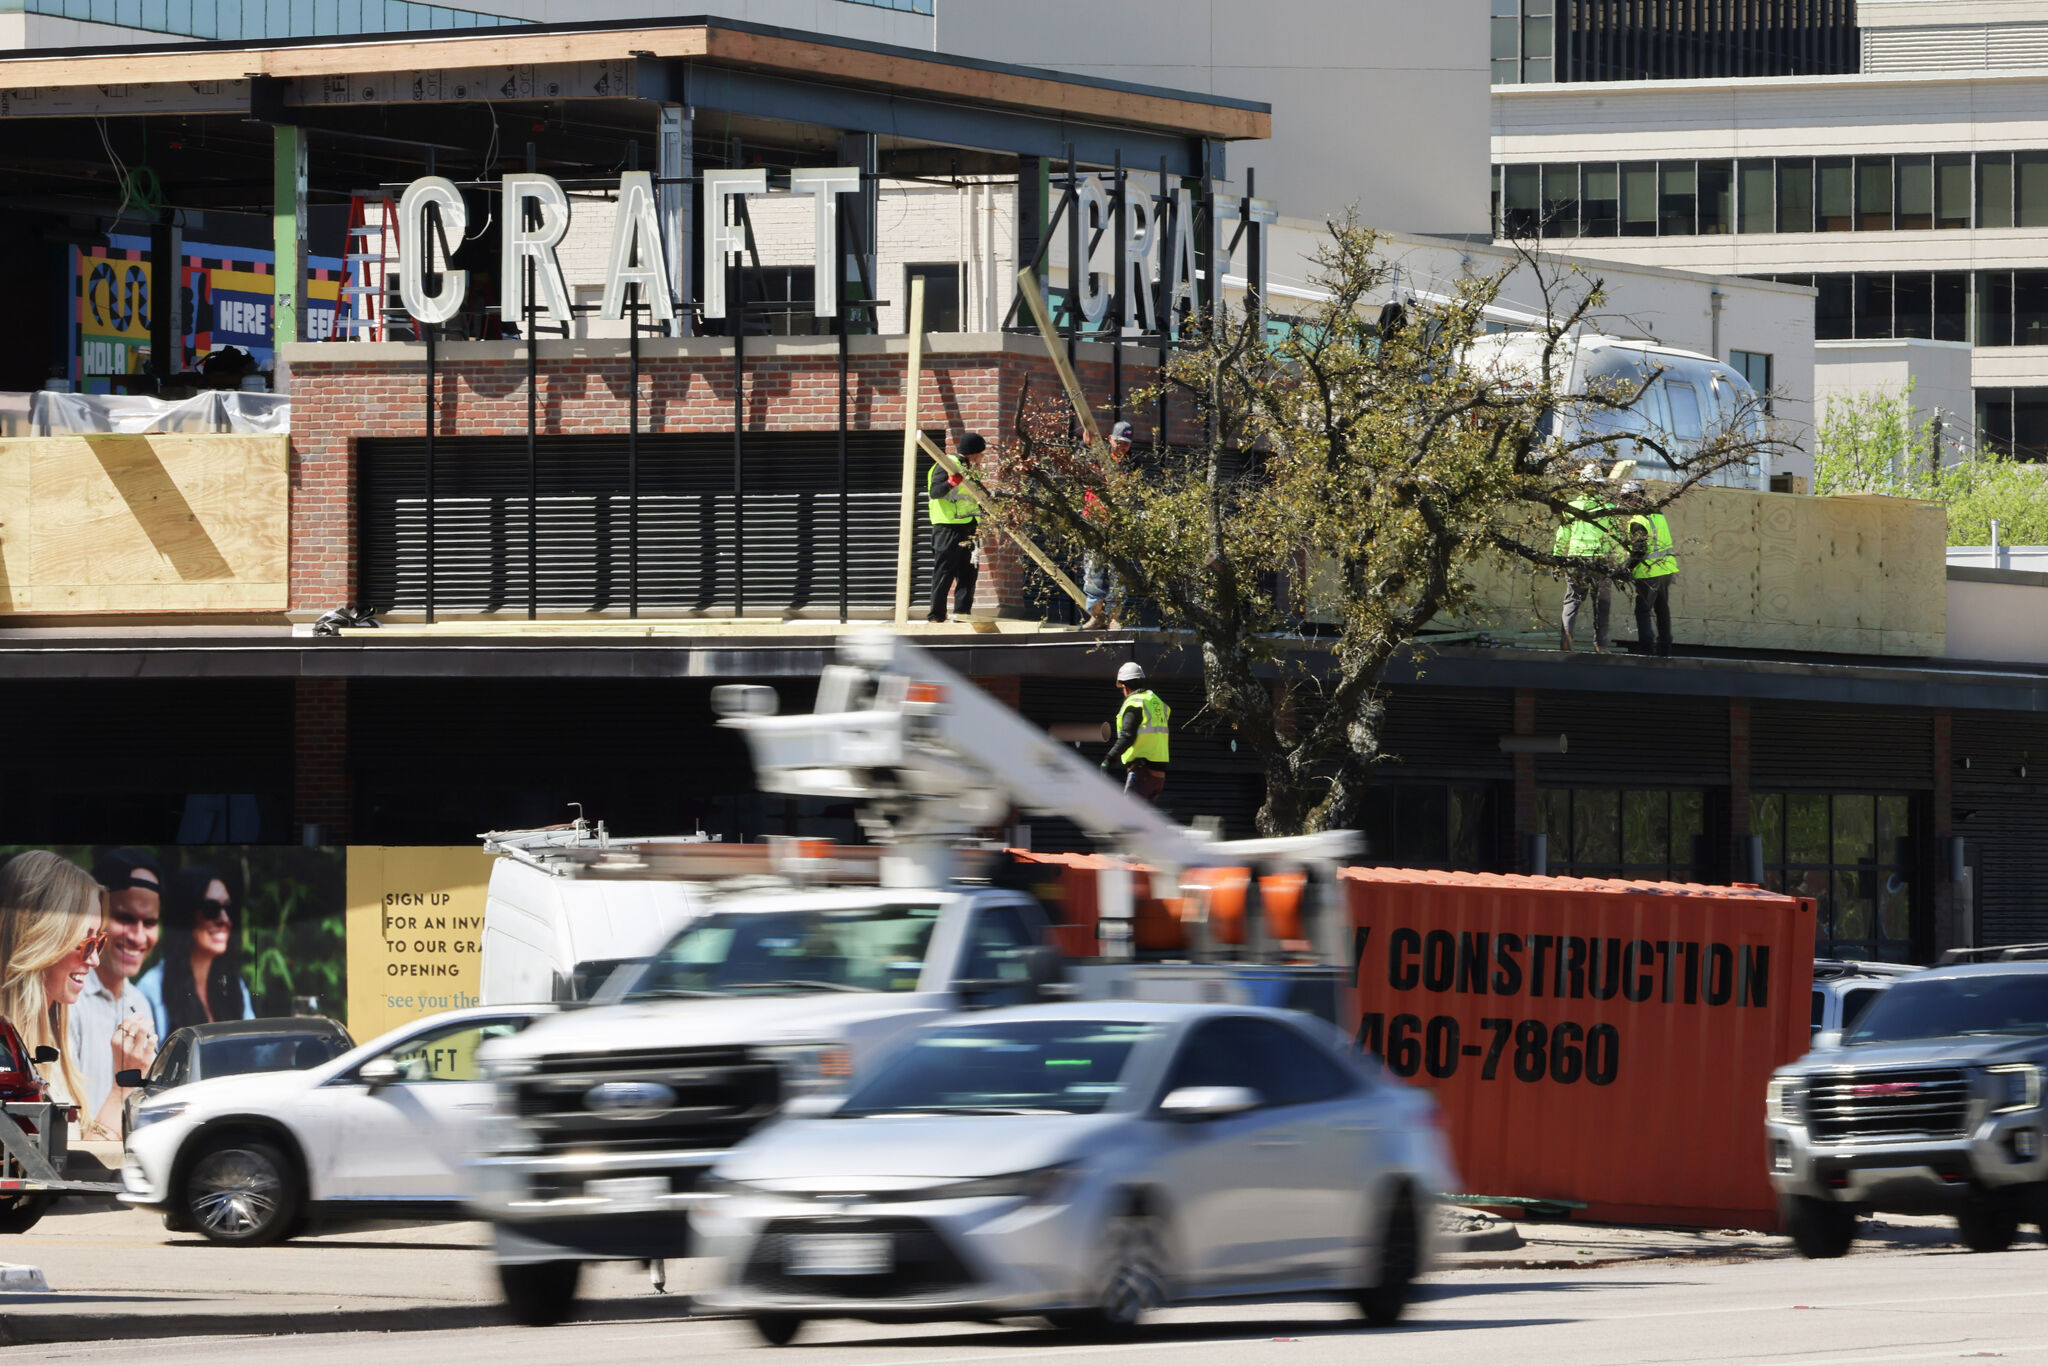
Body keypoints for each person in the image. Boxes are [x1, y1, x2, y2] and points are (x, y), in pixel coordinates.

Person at [0, 850, 143, 1140]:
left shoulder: (48, 1042)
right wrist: (122, 1087)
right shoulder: (9, 1059)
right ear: (41, 940)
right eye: (85, 942)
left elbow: (75, 1162)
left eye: (100, 942)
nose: (95, 961)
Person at [67, 848, 161, 1130]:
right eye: (125, 918)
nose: (138, 936)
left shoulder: (140, 1001)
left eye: (150, 922)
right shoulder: (68, 996)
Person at [138, 865, 254, 1038]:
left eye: (228, 909)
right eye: (211, 910)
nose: (224, 919)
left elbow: (256, 1053)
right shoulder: (151, 990)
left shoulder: (233, 984)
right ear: (186, 915)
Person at [1553, 463, 1619, 653]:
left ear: (1581, 486)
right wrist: (1620, 565)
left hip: (1575, 561)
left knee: (1572, 600)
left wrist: (1558, 560)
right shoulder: (1609, 508)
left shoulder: (1570, 508)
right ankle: (1601, 646)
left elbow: (1562, 537)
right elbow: (1616, 539)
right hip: (1601, 562)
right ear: (1599, 486)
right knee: (1602, 605)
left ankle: (1566, 640)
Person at [926, 432, 984, 623]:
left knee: (968, 573)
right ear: (973, 453)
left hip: (969, 526)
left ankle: (962, 614)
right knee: (944, 571)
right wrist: (951, 482)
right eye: (981, 454)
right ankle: (936, 615)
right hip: (947, 526)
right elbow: (935, 492)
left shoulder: (971, 470)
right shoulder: (947, 464)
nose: (982, 458)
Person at [1621, 480, 1679, 657]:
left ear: (1633, 497)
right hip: (1666, 570)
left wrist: (1626, 568)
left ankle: (1647, 650)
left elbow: (1639, 550)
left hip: (1649, 572)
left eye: (1625, 498)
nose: (1624, 502)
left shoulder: (1637, 521)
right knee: (1662, 610)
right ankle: (1665, 650)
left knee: (1643, 611)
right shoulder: (1658, 514)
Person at [1102, 661, 1171, 803]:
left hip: (1142, 772)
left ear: (1125, 687)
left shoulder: (1135, 703)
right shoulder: (1155, 701)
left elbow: (1127, 736)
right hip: (1158, 776)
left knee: (1128, 818)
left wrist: (1109, 759)